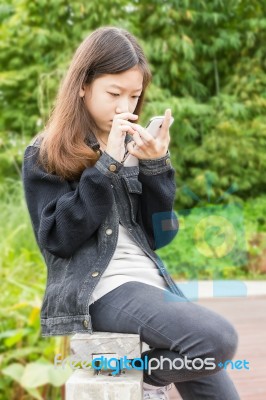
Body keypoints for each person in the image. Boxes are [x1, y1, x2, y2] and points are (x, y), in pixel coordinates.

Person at [22, 26, 240, 400]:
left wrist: (156, 168)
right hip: (101, 290)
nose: (126, 108)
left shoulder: (135, 145)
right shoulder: (47, 152)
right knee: (219, 340)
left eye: (135, 96)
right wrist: (107, 163)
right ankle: (149, 376)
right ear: (82, 86)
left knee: (213, 360)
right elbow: (57, 237)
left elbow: (160, 237)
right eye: (114, 94)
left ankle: (140, 370)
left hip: (153, 287)